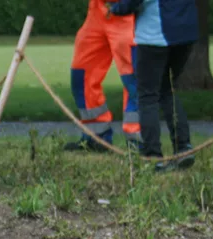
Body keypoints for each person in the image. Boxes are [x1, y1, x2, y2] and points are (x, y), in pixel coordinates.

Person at [107, 0, 199, 170]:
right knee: (167, 90)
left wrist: (117, 8)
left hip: (156, 33)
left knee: (148, 95)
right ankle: (183, 148)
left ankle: (153, 156)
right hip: (186, 32)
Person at [64, 0, 141, 152]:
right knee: (81, 75)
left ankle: (138, 141)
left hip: (126, 12)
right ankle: (96, 137)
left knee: (133, 80)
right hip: (97, 11)